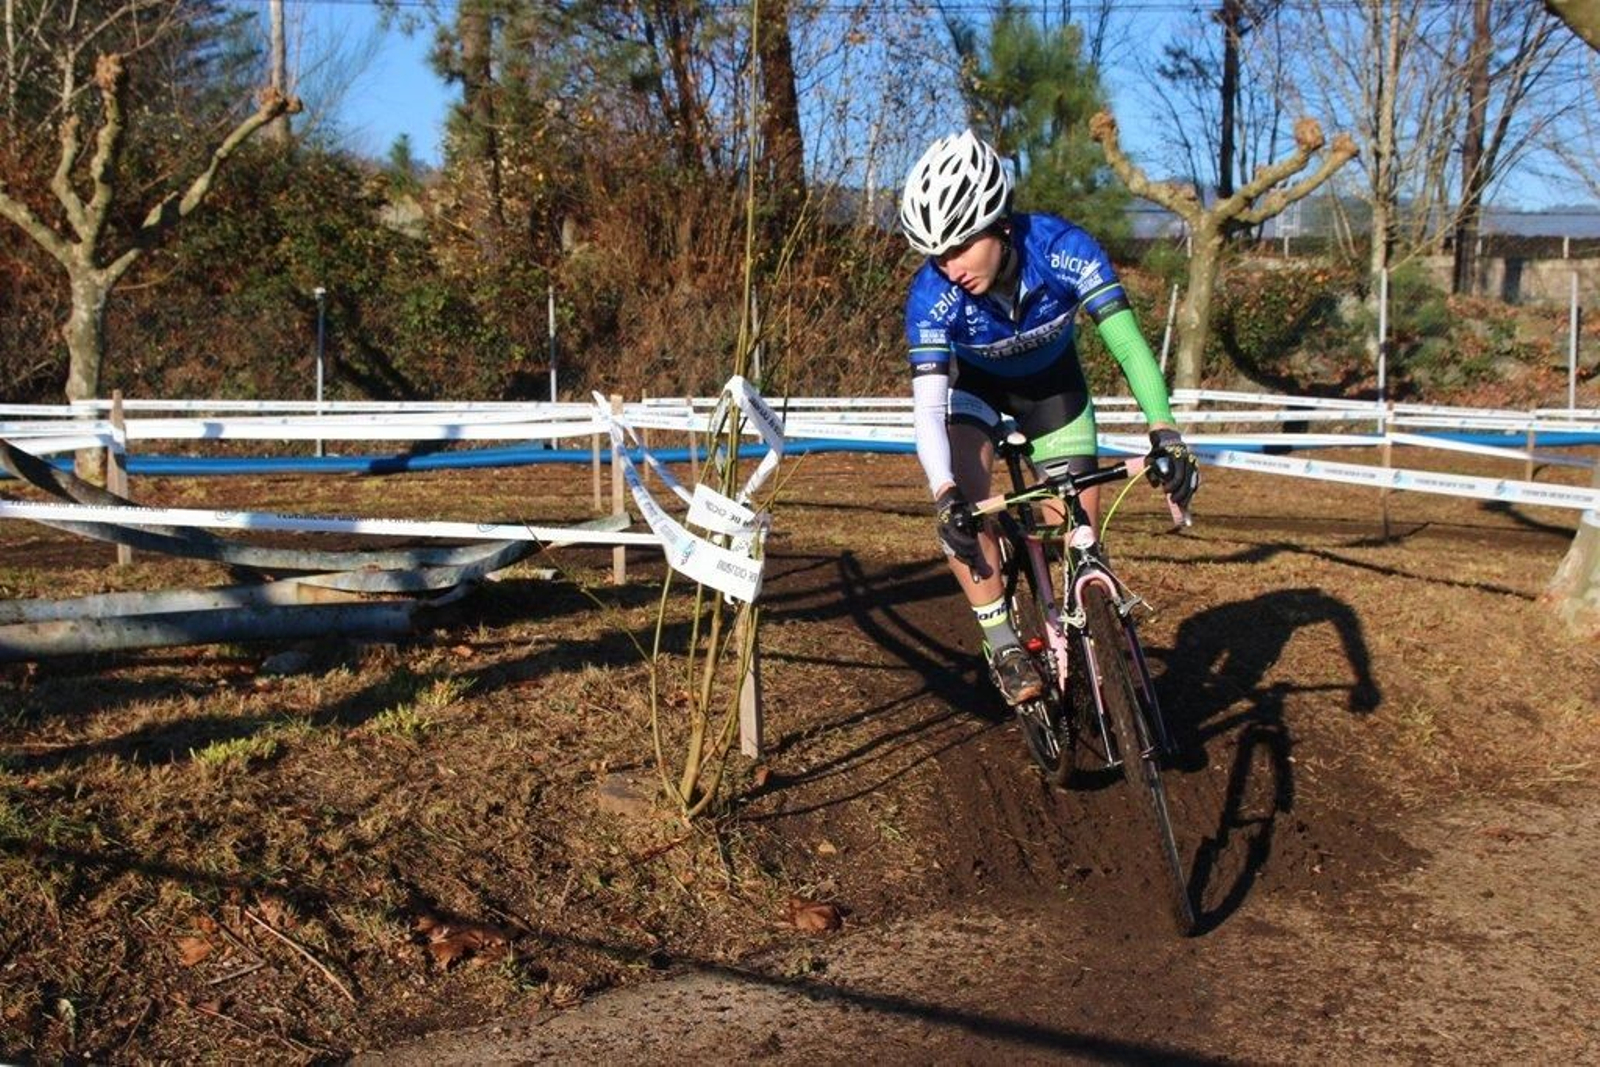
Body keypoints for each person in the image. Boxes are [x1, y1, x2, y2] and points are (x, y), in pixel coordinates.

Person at [900, 129, 1200, 706]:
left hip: (1053, 391)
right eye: (937, 254)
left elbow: (1129, 346)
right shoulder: (932, 295)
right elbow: (929, 407)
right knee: (964, 506)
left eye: (960, 246)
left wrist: (1164, 429)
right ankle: (1002, 643)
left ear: (999, 224)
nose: (950, 266)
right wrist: (943, 493)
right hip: (976, 393)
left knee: (1076, 532)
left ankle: (1085, 619)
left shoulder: (1062, 248)